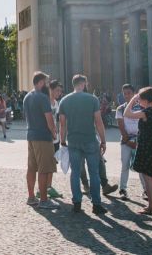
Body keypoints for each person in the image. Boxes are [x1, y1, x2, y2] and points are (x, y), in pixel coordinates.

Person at [58, 74, 107, 214]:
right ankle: (96, 205)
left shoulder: (64, 100)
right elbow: (98, 122)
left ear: (73, 84)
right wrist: (103, 140)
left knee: (75, 173)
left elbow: (62, 124)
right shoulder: (92, 99)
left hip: (73, 141)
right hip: (90, 140)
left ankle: (77, 203)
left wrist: (62, 140)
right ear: (83, 84)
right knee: (94, 173)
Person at [124, 87, 152, 216]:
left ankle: (151, 207)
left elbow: (127, 114)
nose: (138, 101)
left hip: (145, 145)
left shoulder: (145, 112)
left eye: (140, 99)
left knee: (147, 178)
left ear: (145, 100)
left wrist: (131, 101)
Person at [24, 72, 59, 209]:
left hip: (31, 135)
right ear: (40, 82)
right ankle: (44, 200)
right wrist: (54, 132)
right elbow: (49, 118)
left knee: (31, 168)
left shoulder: (27, 97)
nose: (48, 85)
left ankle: (31, 197)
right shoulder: (43, 97)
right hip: (43, 137)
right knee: (44, 169)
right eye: (46, 82)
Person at [115, 84, 147, 200]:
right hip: (126, 141)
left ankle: (146, 190)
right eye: (125, 93)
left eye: (129, 93)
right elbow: (121, 126)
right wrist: (128, 140)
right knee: (125, 165)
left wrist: (138, 141)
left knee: (141, 166)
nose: (127, 95)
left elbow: (144, 125)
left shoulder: (142, 108)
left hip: (139, 140)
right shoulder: (120, 108)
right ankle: (123, 189)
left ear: (134, 94)